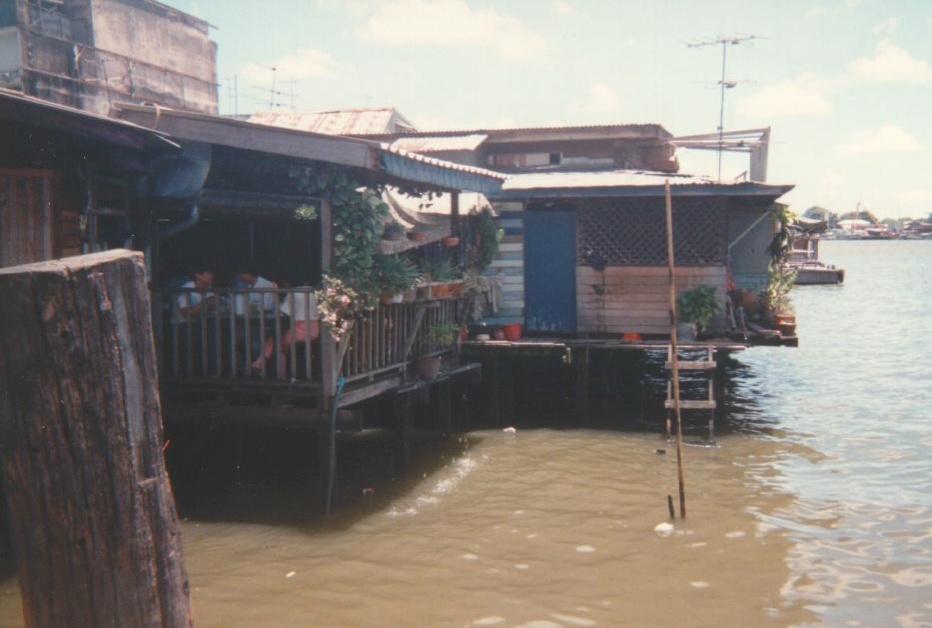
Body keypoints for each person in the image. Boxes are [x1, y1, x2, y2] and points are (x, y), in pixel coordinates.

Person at [252, 287, 320, 375]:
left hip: (302, 329)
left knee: (277, 342)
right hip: (313, 329)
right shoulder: (312, 292)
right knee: (277, 340)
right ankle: (260, 363)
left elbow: (283, 312)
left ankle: (272, 370)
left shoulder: (294, 293)